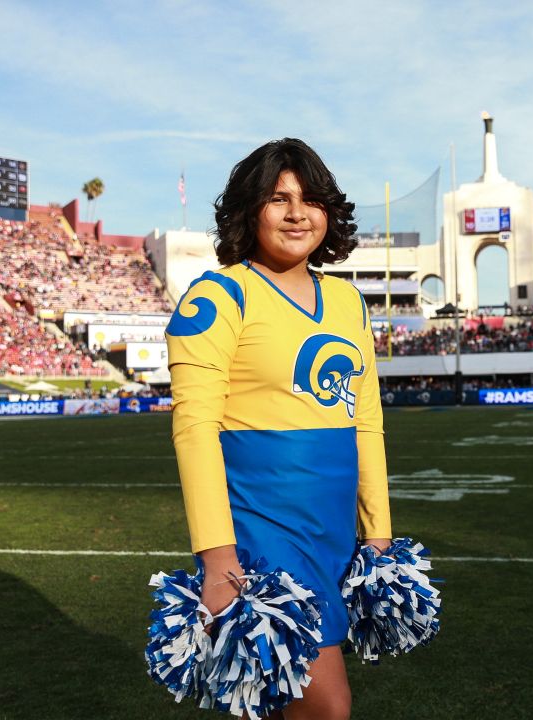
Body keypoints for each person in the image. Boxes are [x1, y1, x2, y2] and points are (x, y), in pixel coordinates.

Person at [166, 138, 392, 720]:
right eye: (278, 198)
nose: (297, 213)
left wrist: (378, 532)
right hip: (262, 528)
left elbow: (366, 421)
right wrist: (218, 558)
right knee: (326, 705)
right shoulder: (217, 296)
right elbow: (194, 427)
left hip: (333, 530)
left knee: (270, 704)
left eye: (310, 199)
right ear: (249, 209)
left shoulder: (349, 302)